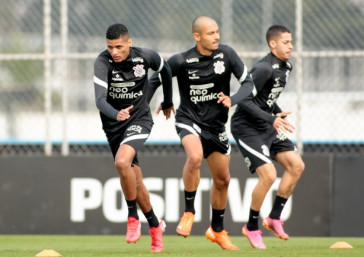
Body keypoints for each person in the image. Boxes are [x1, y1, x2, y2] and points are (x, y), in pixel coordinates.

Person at [147, 16, 256, 250]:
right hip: (189, 120)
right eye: (210, 33)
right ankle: (189, 212)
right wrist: (163, 102)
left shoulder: (227, 55)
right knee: (195, 157)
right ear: (197, 36)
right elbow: (157, 77)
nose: (216, 36)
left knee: (223, 179)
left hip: (216, 126)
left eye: (217, 32)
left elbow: (249, 84)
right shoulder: (181, 60)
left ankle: (217, 230)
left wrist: (232, 99)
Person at [93, 23, 174, 252]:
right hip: (113, 124)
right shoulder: (102, 62)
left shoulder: (145, 56)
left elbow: (165, 70)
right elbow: (100, 101)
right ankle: (156, 226)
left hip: (139, 119)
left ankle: (132, 218)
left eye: (118, 46)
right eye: (110, 47)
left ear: (129, 42)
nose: (114, 52)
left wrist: (167, 101)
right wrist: (115, 114)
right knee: (135, 180)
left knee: (121, 162)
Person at [230, 25, 305, 249]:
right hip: (247, 127)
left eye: (291, 41)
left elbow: (267, 99)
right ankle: (252, 227)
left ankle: (274, 217)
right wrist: (271, 118)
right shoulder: (263, 68)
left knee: (297, 165)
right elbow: (243, 99)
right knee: (269, 175)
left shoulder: (287, 66)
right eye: (285, 42)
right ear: (272, 44)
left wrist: (276, 112)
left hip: (267, 124)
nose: (290, 46)